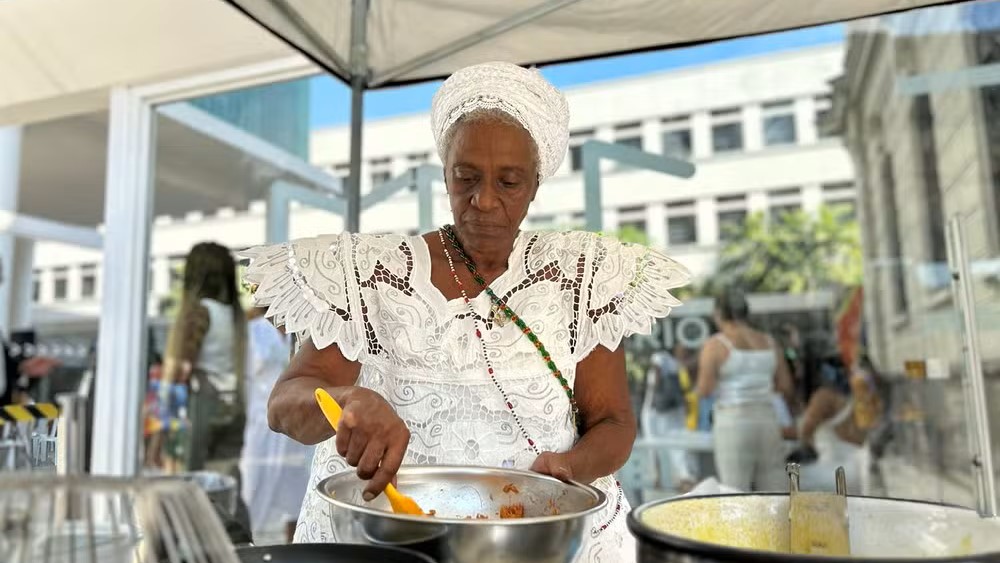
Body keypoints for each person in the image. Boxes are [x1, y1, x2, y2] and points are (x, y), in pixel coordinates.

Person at [243, 61, 691, 560]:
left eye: (510, 182)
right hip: (386, 543)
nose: (484, 200)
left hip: (540, 543)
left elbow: (613, 422)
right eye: (466, 178)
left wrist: (568, 470)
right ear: (445, 174)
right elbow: (285, 405)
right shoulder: (369, 274)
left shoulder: (581, 276)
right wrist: (347, 400)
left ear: (537, 183)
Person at [159, 242, 247, 474]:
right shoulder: (236, 317)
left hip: (199, 406)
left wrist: (160, 429)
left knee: (187, 484)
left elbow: (179, 370)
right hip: (232, 405)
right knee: (222, 480)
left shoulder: (198, 313)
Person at [695, 289, 794, 492]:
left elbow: (705, 389)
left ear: (719, 314)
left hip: (733, 422)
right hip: (767, 419)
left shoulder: (716, 345)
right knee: (774, 488)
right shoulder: (769, 342)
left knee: (734, 490)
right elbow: (785, 386)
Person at [240, 307, 313, 543]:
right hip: (261, 425)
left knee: (297, 496)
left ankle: (294, 548)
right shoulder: (252, 332)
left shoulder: (306, 329)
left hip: (297, 434)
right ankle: (253, 547)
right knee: (254, 491)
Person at [641, 345, 697, 492]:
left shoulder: (675, 363)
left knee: (672, 446)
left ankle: (676, 479)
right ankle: (663, 479)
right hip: (659, 410)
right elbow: (656, 370)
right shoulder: (663, 358)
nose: (684, 351)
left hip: (665, 410)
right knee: (662, 446)